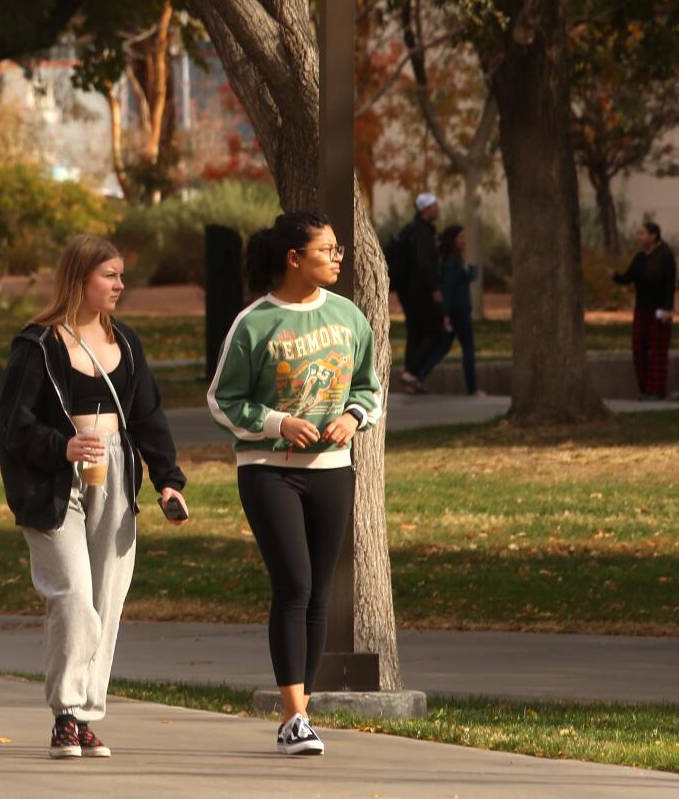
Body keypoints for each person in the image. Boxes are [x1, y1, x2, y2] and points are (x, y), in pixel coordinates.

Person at [0, 234, 189, 761]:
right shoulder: (37, 345)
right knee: (74, 598)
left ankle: (86, 717)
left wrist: (168, 480)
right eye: (110, 276)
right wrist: (62, 448)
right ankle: (65, 713)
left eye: (121, 275)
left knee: (107, 600)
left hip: (116, 475)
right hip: (56, 481)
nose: (120, 285)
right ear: (80, 279)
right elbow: (14, 428)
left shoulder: (125, 342)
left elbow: (149, 416)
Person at [207, 210, 382, 757]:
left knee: (318, 593)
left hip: (333, 471)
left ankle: (302, 712)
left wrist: (352, 418)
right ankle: (292, 717)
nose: (337, 257)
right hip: (268, 471)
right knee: (295, 584)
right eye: (327, 249)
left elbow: (371, 388)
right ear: (294, 258)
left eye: (337, 249)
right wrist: (278, 423)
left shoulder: (350, 317)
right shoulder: (254, 323)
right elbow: (222, 400)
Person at [612, 221, 678, 400]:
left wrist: (667, 309)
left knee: (657, 350)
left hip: (659, 309)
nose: (639, 237)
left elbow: (670, 284)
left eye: (642, 234)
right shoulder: (640, 257)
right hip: (642, 308)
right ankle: (644, 389)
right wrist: (616, 277)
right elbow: (628, 277)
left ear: (653, 235)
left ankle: (656, 390)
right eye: (639, 234)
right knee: (639, 348)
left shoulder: (665, 256)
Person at [394, 192, 450, 393]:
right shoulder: (423, 233)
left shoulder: (411, 230)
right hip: (421, 292)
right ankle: (412, 372)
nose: (437, 209)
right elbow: (424, 263)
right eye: (434, 206)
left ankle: (410, 376)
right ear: (425, 209)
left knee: (415, 332)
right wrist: (434, 288)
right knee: (437, 332)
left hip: (408, 291)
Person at [436, 225, 483, 395]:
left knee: (443, 347)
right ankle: (473, 388)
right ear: (453, 240)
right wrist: (446, 313)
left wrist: (471, 272)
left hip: (460, 311)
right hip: (458, 313)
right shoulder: (451, 262)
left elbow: (463, 279)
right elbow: (447, 289)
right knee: (468, 349)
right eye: (461, 237)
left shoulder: (457, 261)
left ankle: (417, 376)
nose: (464, 241)